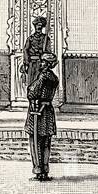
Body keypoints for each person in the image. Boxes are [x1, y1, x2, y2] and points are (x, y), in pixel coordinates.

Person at [25, 52, 59, 181]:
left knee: (36, 142)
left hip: (38, 111)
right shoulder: (54, 78)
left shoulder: (43, 76)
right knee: (46, 143)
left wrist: (30, 89)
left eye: (44, 62)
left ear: (48, 64)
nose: (41, 63)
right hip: (48, 110)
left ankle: (39, 171)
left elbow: (33, 92)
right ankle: (44, 171)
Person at [20, 17, 50, 91]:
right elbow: (25, 50)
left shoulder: (46, 39)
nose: (39, 27)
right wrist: (26, 63)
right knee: (31, 82)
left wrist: (45, 60)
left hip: (41, 64)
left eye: (40, 25)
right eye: (37, 25)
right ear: (35, 26)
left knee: (41, 83)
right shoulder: (30, 38)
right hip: (32, 64)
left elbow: (48, 52)